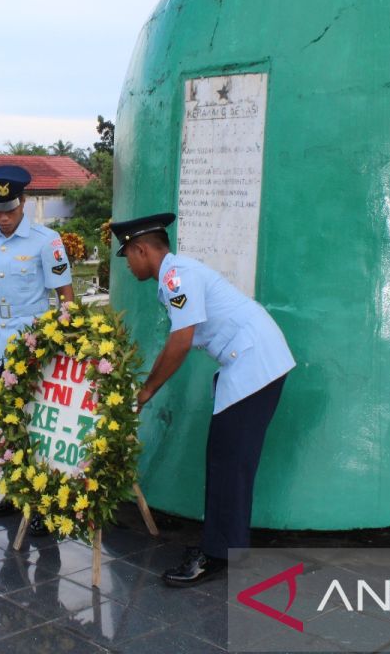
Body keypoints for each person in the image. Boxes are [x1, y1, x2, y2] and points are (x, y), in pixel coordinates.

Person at [111, 212, 295, 587]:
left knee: (228, 462)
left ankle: (216, 555)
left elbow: (180, 342)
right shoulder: (175, 276)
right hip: (252, 364)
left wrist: (145, 392)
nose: (128, 265)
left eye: (127, 255)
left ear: (141, 249)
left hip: (254, 365)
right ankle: (225, 547)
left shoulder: (178, 277)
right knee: (229, 461)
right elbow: (175, 342)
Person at [0, 165, 74, 531]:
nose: (3, 218)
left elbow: (65, 297)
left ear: (24, 203)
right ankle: (14, 493)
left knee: (38, 426)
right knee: (4, 425)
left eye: (9, 211)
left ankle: (45, 504)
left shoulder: (47, 241)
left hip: (35, 348)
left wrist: (64, 342)